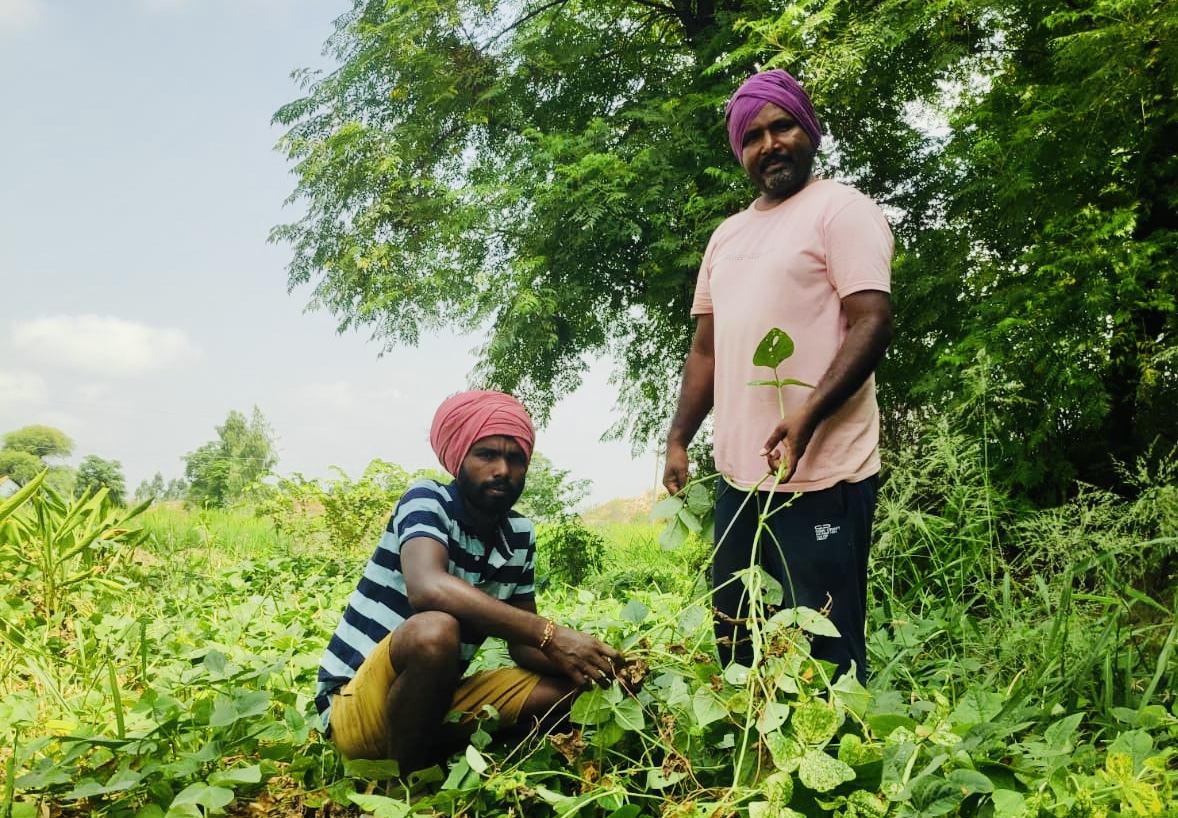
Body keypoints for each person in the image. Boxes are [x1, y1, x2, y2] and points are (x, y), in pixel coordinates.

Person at [663, 69, 894, 682]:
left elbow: (871, 322)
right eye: (754, 136)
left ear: (808, 128)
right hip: (741, 481)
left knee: (823, 648)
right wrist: (679, 437)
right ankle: (757, 761)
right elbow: (706, 350)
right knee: (736, 634)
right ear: (740, 151)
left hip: (823, 475)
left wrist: (807, 416)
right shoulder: (727, 236)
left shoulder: (841, 212)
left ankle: (842, 764)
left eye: (782, 126)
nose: (770, 144)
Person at [316, 389, 624, 772]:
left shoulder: (519, 534)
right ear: (459, 458)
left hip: (433, 704)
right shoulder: (427, 499)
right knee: (435, 629)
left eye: (515, 459)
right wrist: (551, 634)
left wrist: (594, 661)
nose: (502, 470)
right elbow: (427, 587)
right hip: (356, 708)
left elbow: (523, 646)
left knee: (575, 691)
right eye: (486, 455)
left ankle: (429, 744)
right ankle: (405, 782)